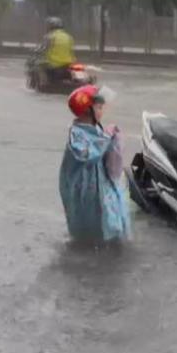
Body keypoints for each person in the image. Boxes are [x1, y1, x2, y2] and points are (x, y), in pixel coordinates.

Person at [59, 85, 132, 245]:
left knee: (109, 217)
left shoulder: (96, 129)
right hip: (86, 188)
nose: (102, 111)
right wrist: (107, 136)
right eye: (99, 107)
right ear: (87, 111)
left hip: (102, 184)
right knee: (91, 221)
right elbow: (87, 155)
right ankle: (90, 247)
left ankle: (110, 243)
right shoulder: (76, 134)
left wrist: (113, 140)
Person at [38, 16, 75, 85]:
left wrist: (38, 50)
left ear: (51, 26)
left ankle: (43, 84)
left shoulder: (49, 36)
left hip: (54, 64)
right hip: (68, 64)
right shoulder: (69, 37)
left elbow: (43, 49)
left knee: (39, 66)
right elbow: (71, 50)